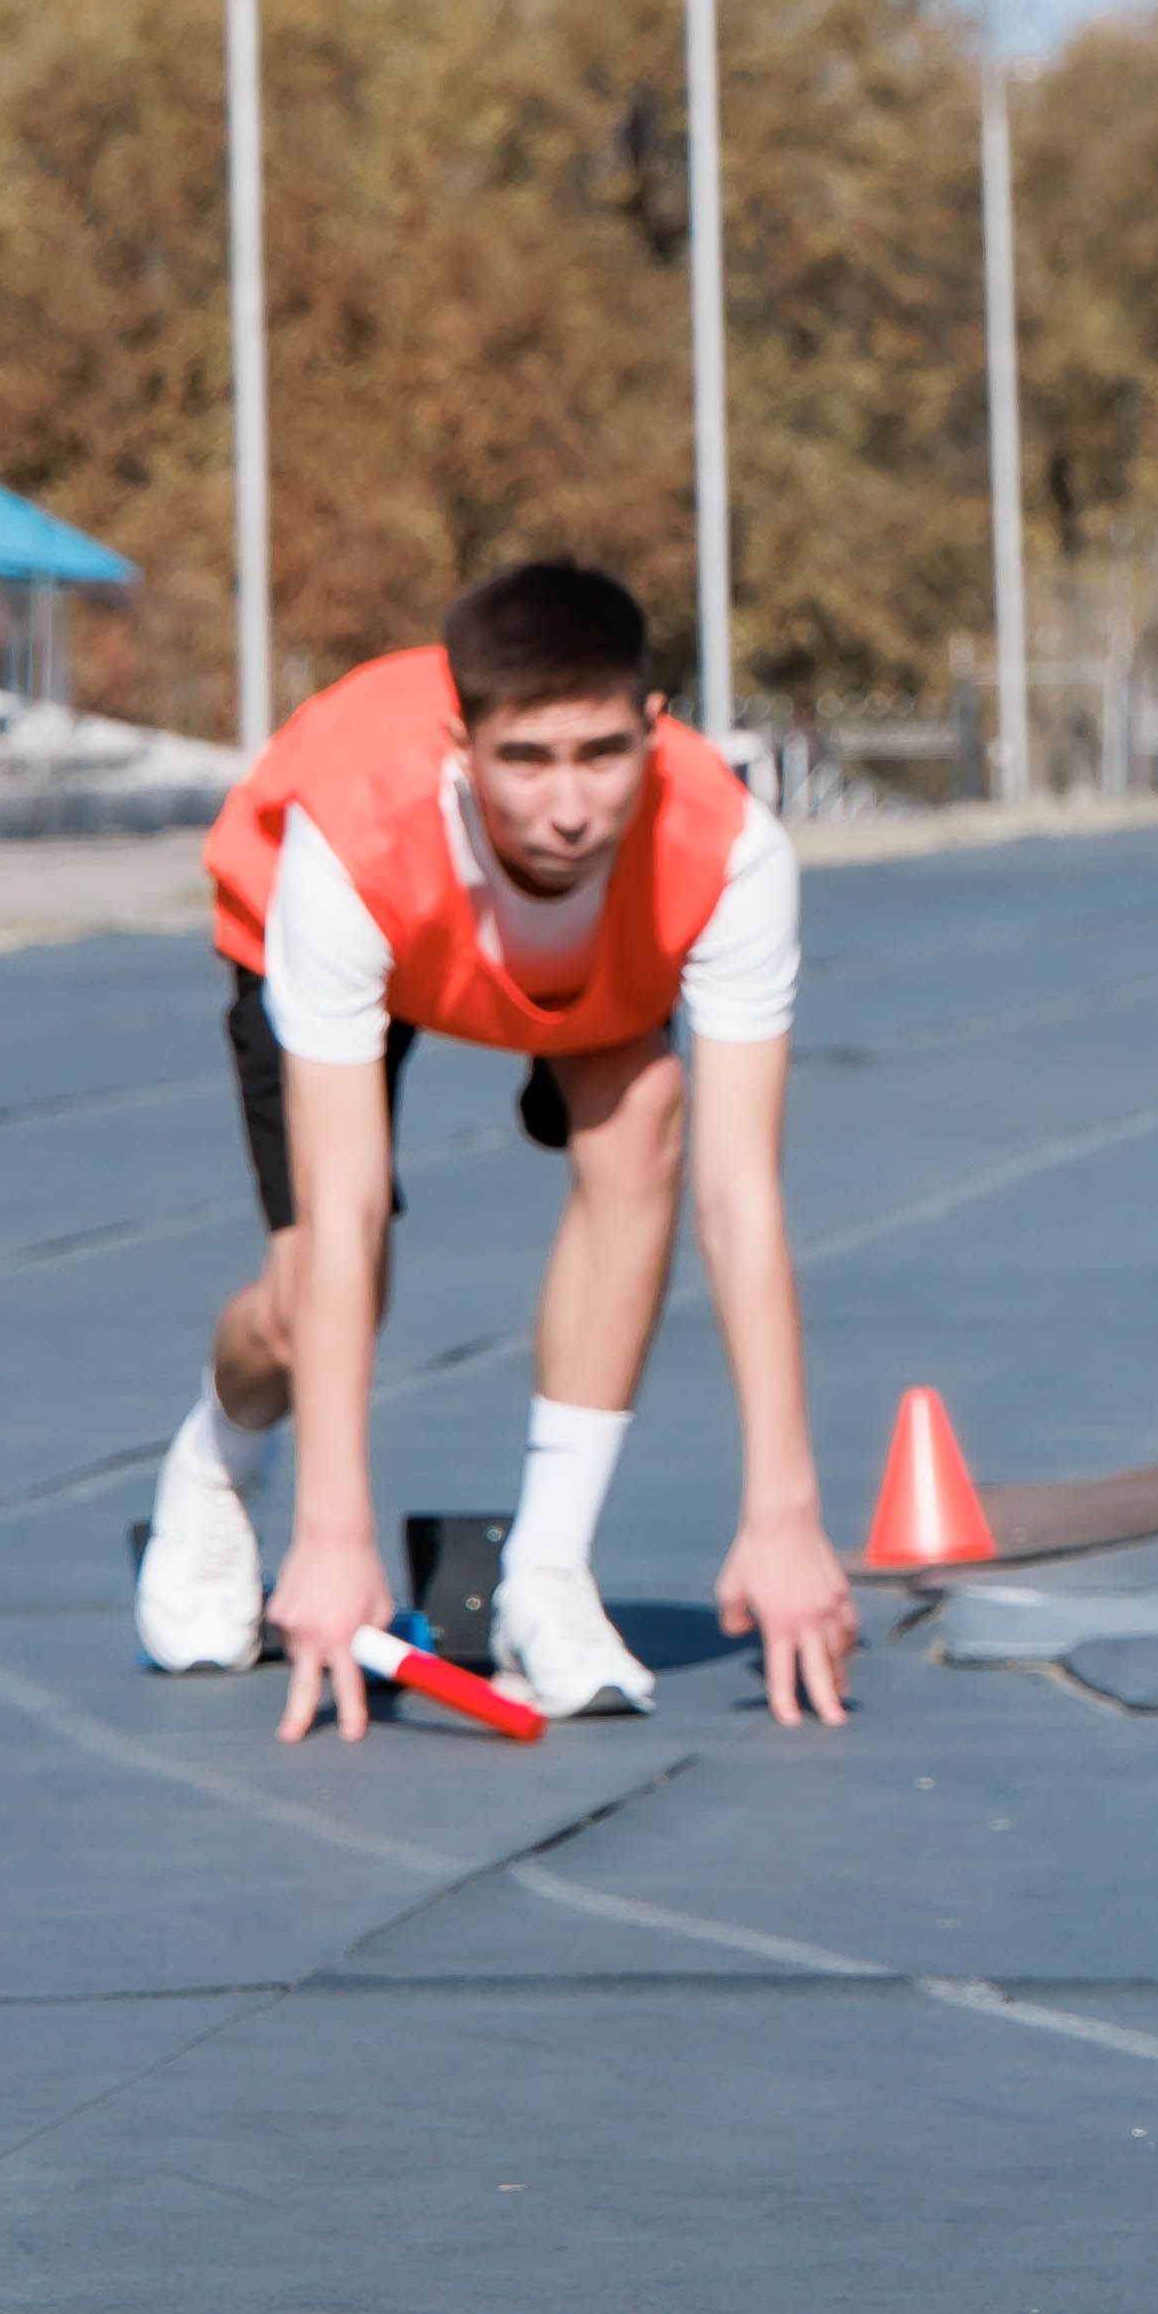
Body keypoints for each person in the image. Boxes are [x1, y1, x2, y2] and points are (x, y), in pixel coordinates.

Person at [139, 558, 860, 1737]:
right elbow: (347, 1206)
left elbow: (741, 1201)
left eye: (603, 755)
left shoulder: (730, 852)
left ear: (654, 728)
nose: (568, 807)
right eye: (526, 760)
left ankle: (548, 1575)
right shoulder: (350, 840)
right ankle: (218, 1459)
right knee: (314, 1296)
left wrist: (785, 1515)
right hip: (368, 931)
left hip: (581, 970)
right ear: (461, 748)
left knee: (646, 1115)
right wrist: (333, 1538)